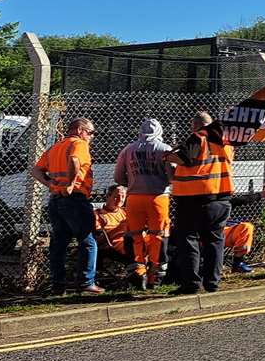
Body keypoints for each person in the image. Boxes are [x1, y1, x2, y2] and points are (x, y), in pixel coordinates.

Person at [165, 112, 234, 294]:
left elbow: (185, 158)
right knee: (215, 241)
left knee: (189, 240)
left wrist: (168, 156)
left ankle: (191, 283)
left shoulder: (199, 137)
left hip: (193, 198)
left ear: (195, 126)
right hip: (221, 198)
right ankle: (212, 283)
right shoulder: (226, 142)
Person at [31, 117, 101, 295]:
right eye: (90, 132)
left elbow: (36, 170)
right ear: (80, 130)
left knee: (59, 243)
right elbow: (75, 161)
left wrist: (51, 184)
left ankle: (58, 283)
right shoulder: (79, 144)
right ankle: (86, 282)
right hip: (75, 198)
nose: (92, 137)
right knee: (88, 240)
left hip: (56, 198)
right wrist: (70, 184)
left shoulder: (56, 147)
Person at [114, 118, 172, 290]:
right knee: (159, 234)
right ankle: (156, 276)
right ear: (159, 132)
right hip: (158, 197)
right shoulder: (165, 149)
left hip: (134, 198)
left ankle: (138, 273)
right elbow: (171, 175)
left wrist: (132, 182)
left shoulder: (128, 150)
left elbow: (118, 178)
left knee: (134, 235)